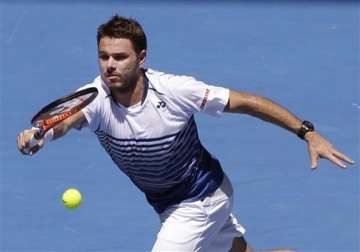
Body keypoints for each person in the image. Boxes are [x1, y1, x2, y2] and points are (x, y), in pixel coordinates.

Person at [17, 15, 354, 252]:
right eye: (104, 57)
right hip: (167, 203)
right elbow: (61, 121)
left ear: (142, 58)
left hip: (201, 198)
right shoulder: (94, 97)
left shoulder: (176, 91)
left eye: (120, 57)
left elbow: (248, 103)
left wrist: (306, 133)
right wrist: (38, 134)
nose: (110, 65)